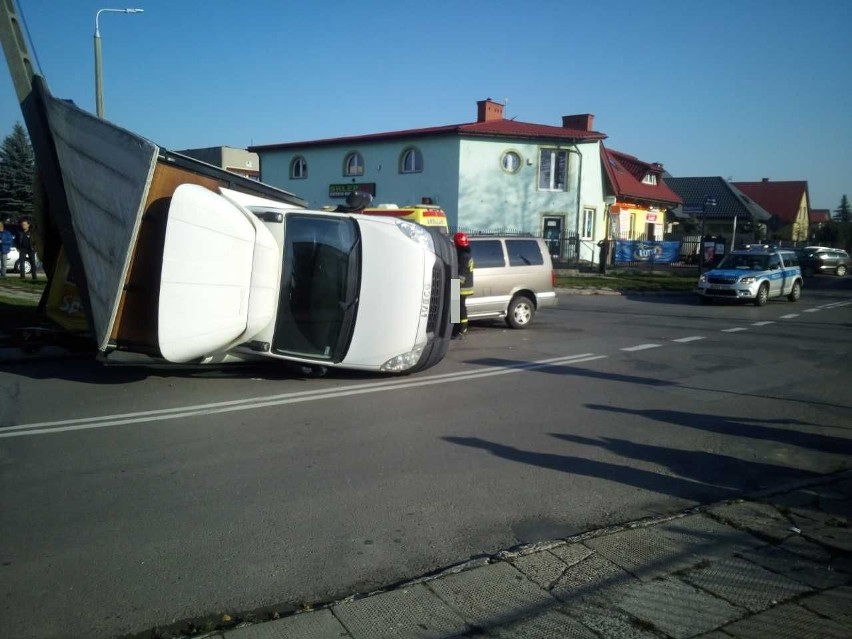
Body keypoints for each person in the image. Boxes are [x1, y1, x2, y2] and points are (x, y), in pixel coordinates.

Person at [453, 232, 474, 339]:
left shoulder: (463, 255)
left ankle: (461, 330)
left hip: (462, 287)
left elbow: (461, 273)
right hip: (461, 285)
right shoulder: (465, 253)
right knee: (455, 307)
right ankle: (455, 329)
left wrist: (456, 286)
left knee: (460, 308)